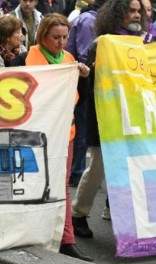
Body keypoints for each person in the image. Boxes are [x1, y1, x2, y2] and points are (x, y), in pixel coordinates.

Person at [12, 13, 92, 262]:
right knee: (31, 185)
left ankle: (67, 240)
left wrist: (84, 79)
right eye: (56, 37)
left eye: (65, 37)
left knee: (62, 187)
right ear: (42, 36)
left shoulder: (69, 60)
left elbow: (81, 99)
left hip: (64, 134)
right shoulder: (24, 59)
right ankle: (29, 235)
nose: (62, 42)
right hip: (33, 135)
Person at [72, 0, 147, 240]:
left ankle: (111, 208)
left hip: (132, 116)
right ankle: (78, 214)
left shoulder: (141, 44)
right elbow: (93, 80)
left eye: (138, 12)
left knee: (128, 164)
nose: (136, 16)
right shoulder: (101, 43)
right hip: (105, 114)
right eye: (131, 11)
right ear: (117, 15)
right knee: (98, 167)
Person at [65, 0, 107, 189]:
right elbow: (85, 54)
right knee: (81, 127)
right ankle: (77, 172)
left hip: (82, 80)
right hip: (80, 81)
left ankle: (78, 170)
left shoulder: (91, 19)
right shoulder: (90, 21)